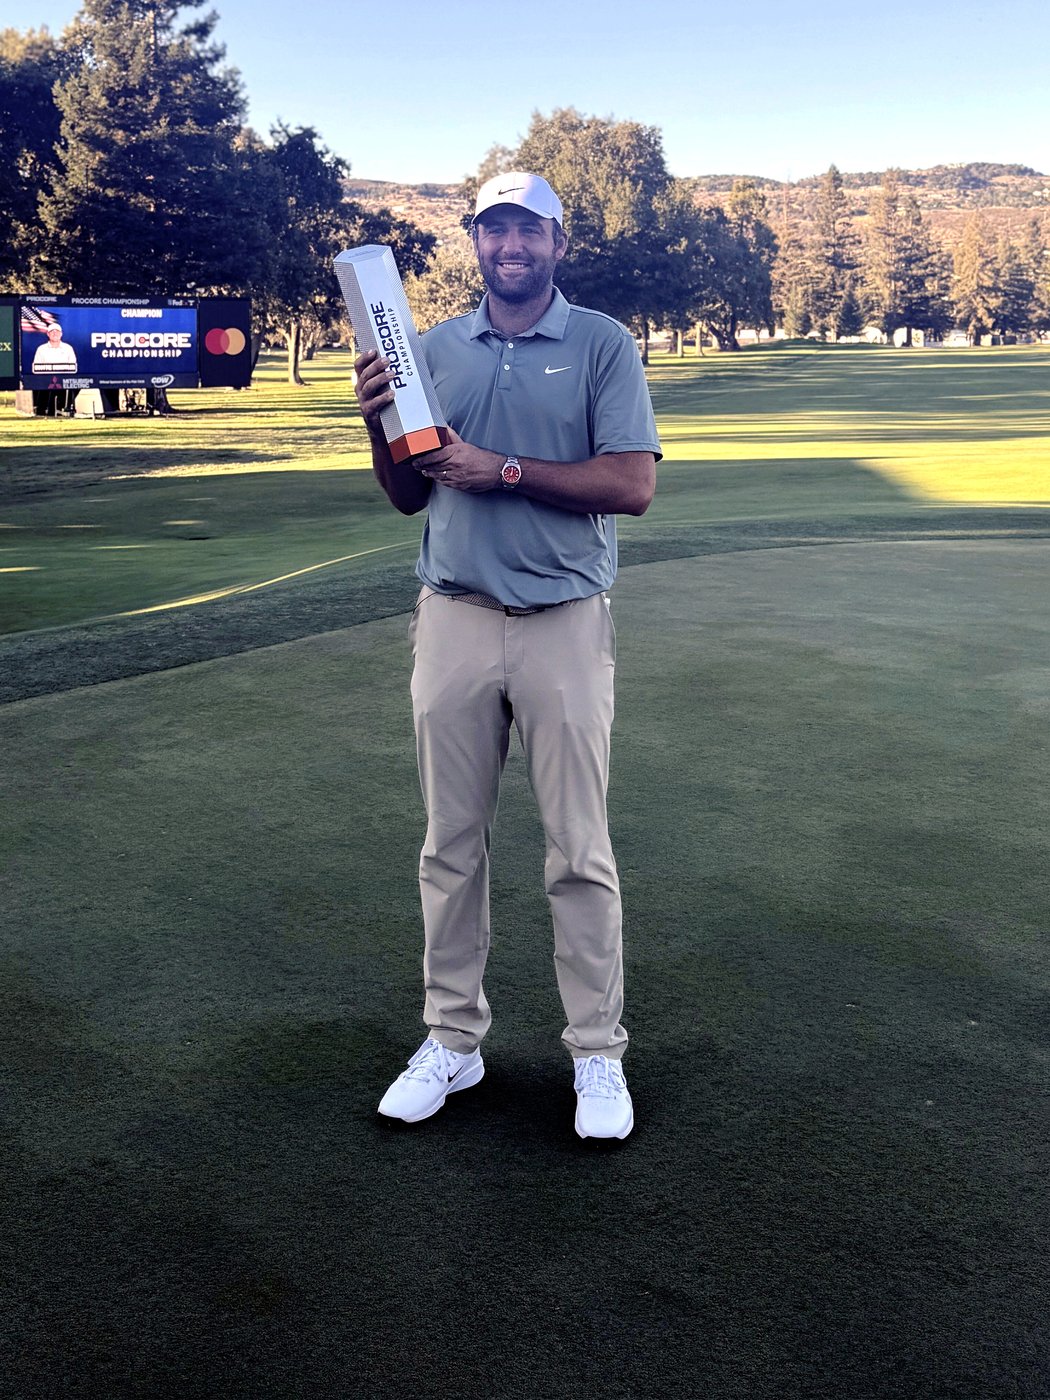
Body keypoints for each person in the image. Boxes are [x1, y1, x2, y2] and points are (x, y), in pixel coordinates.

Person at [354, 171, 661, 1140]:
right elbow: (410, 495)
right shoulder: (433, 348)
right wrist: (377, 420)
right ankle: (454, 1037)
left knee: (580, 850)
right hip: (454, 615)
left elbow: (632, 483)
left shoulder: (604, 344)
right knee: (450, 844)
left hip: (565, 622)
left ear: (558, 242)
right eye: (493, 229)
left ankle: (598, 1053)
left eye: (528, 228)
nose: (510, 245)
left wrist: (507, 469)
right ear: (476, 242)